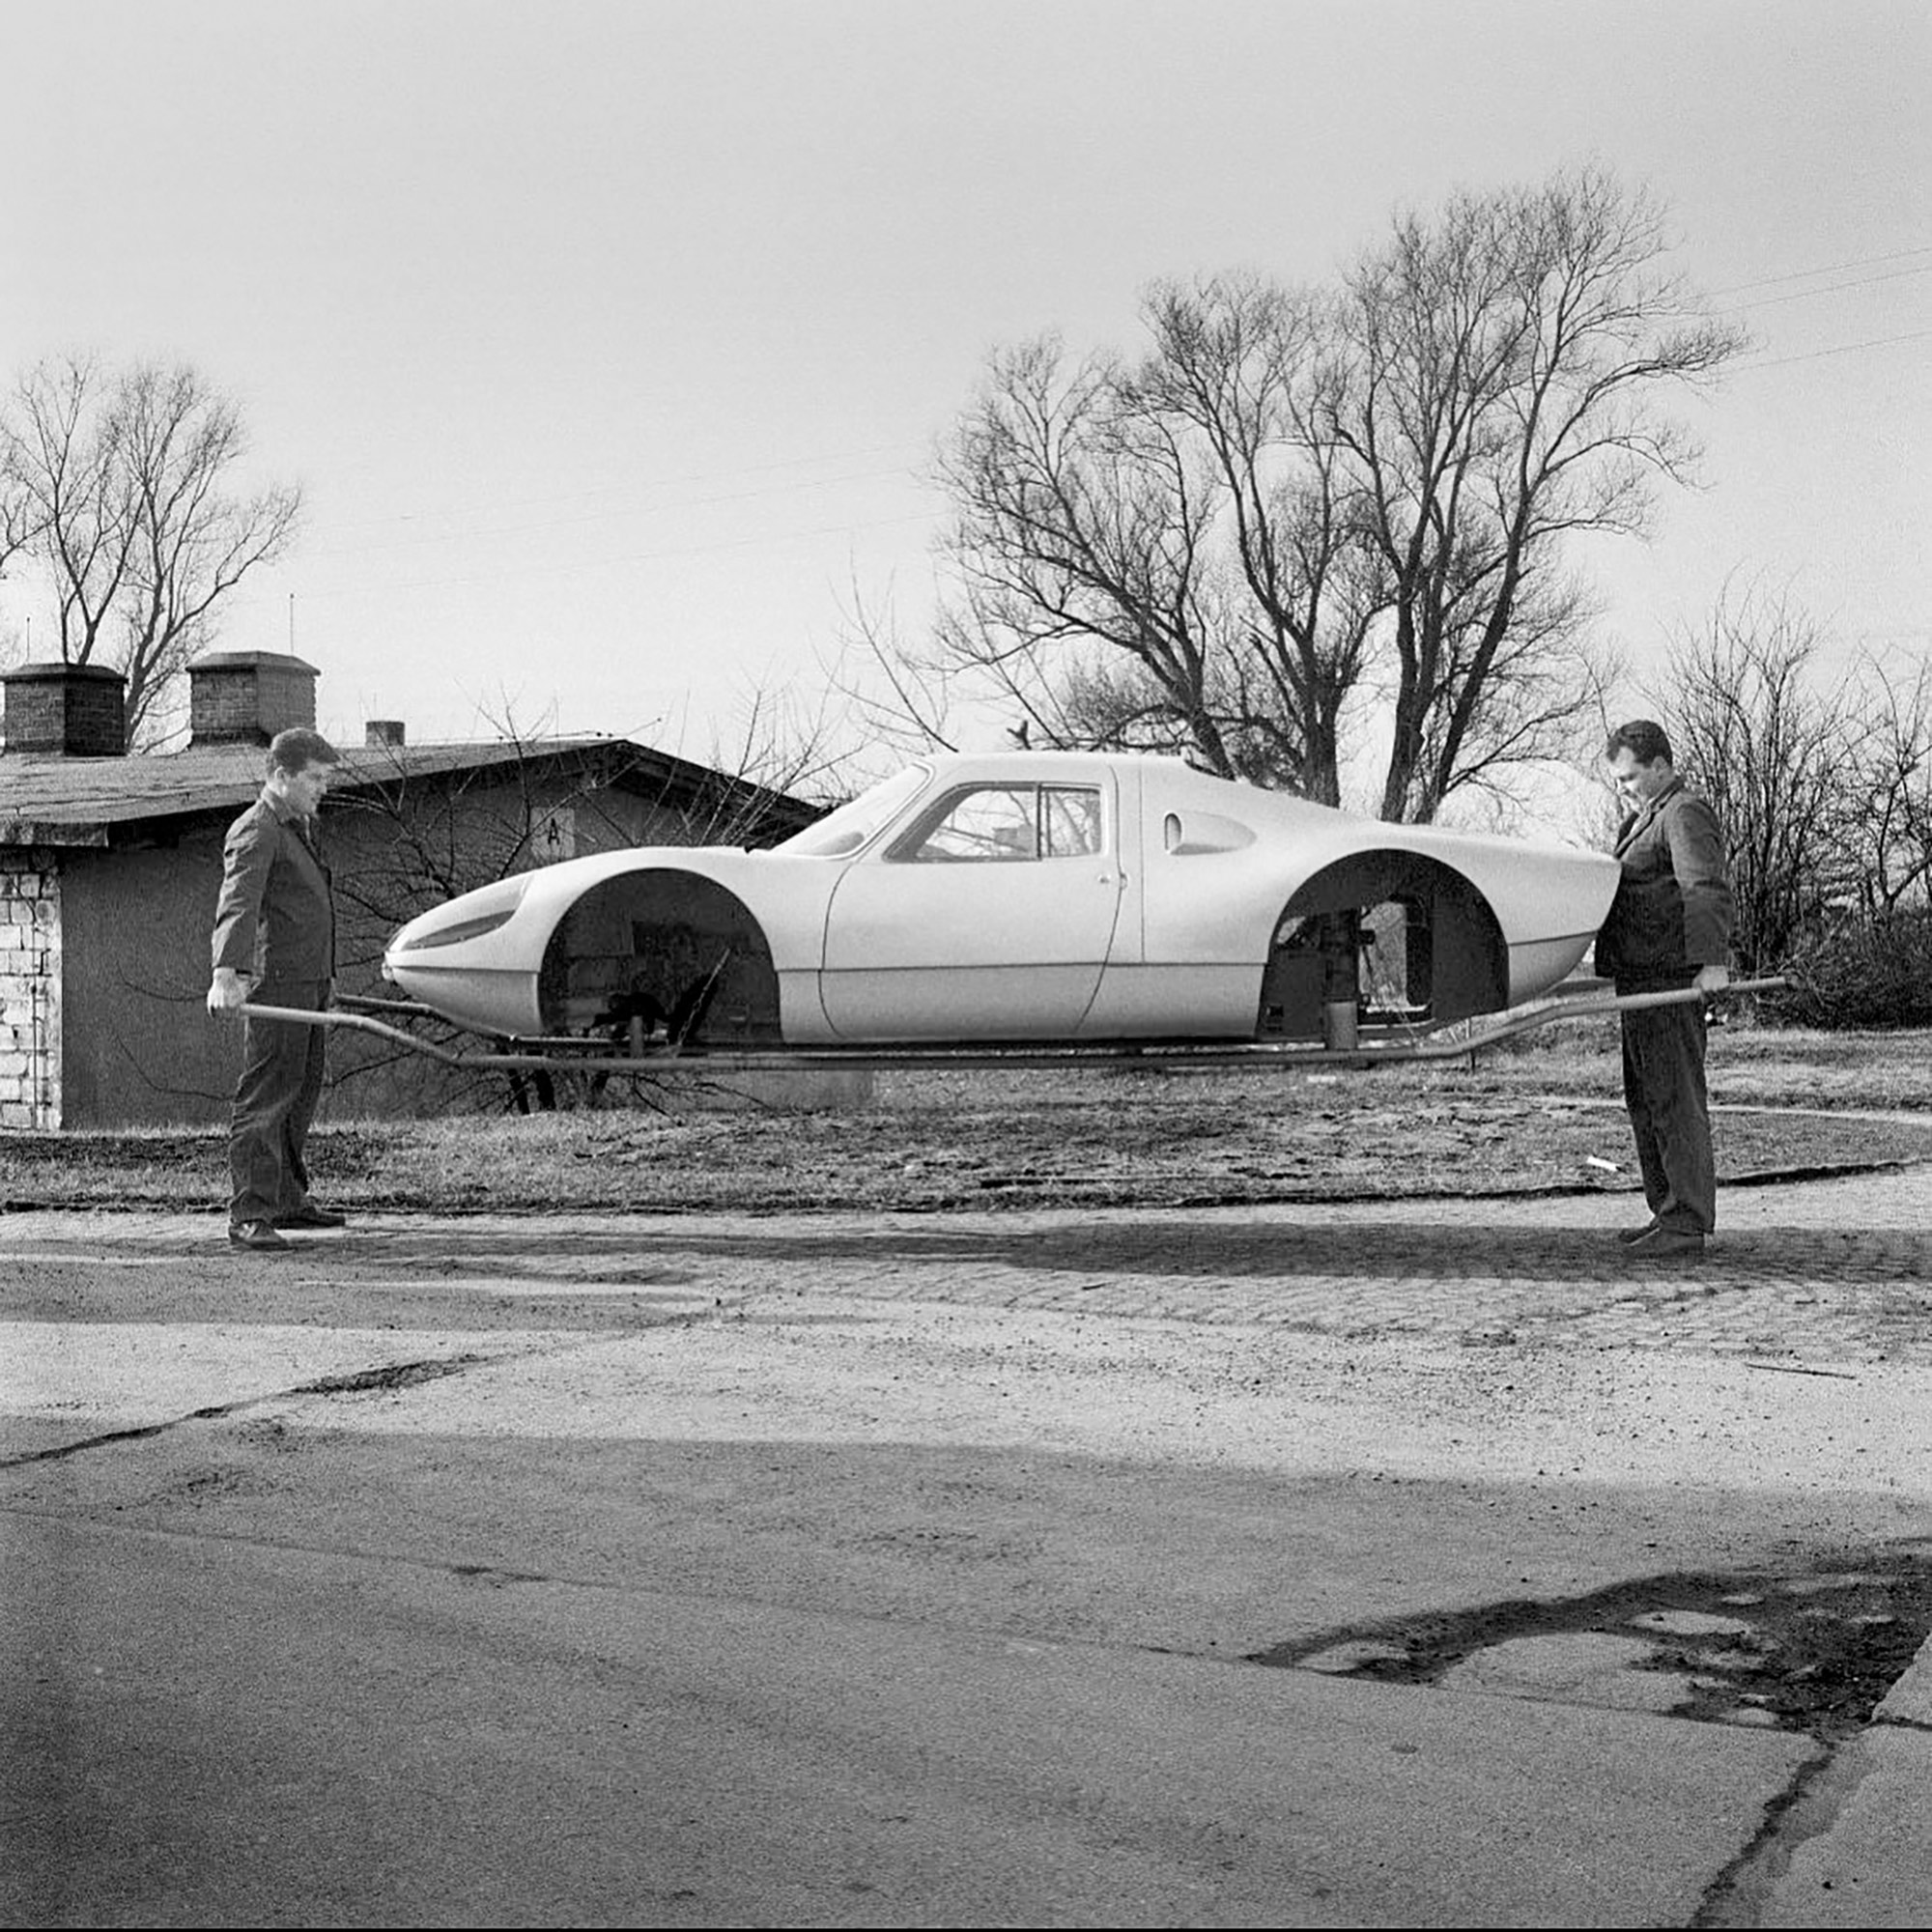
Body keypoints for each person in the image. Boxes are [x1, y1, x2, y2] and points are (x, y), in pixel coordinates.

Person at [1595, 721, 1734, 1260]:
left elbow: (1703, 890)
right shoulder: (1645, 817)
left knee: (1674, 1100)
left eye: (1630, 776)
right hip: (1640, 982)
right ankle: (1667, 1212)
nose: (1623, 786)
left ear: (1660, 765)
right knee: (1647, 1100)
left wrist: (1710, 964)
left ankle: (1687, 1221)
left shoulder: (1684, 813)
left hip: (1669, 981)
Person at [207, 726, 345, 1252]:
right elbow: (238, 904)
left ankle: (287, 1200)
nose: (322, 789)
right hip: (276, 985)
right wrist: (226, 974)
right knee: (266, 1098)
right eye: (315, 778)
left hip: (307, 984)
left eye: (325, 779)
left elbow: (307, 910)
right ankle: (250, 1213)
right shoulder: (257, 829)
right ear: (281, 775)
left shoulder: (299, 826)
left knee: (301, 1093)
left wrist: (326, 981)